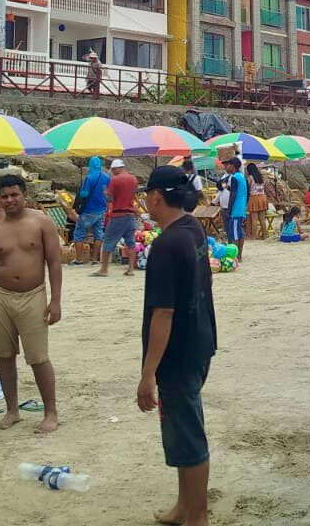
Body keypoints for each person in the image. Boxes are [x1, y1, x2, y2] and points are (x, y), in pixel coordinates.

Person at [136, 166, 217, 526]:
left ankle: (197, 515)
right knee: (180, 433)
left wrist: (148, 372)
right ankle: (185, 506)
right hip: (199, 343)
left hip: (179, 354)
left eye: (147, 195)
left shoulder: (167, 244)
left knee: (187, 434)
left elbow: (163, 313)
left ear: (156, 196)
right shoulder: (192, 228)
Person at [0, 176, 64, 433]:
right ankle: (12, 410)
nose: (10, 200)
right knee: (4, 355)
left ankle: (50, 412)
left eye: (15, 195)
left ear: (24, 195)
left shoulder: (41, 222)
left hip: (33, 293)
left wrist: (55, 300)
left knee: (38, 357)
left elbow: (54, 263)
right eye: (5, 196)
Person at [99, 160, 139, 276]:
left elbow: (110, 199)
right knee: (130, 243)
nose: (112, 172)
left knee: (108, 241)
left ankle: (104, 269)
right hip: (130, 215)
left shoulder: (115, 180)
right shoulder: (133, 179)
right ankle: (131, 269)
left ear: (116, 168)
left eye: (112, 170)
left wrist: (105, 193)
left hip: (118, 215)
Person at [219, 156, 248, 263]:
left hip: (236, 209)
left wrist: (230, 208)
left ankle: (235, 257)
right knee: (239, 233)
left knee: (234, 234)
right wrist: (228, 187)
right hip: (241, 208)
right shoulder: (241, 177)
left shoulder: (235, 177)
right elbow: (241, 191)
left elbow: (233, 195)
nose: (227, 167)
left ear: (233, 166)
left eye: (229, 165)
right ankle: (239, 256)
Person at [244, 163, 268, 240]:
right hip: (262, 197)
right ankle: (265, 235)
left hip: (254, 198)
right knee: (262, 219)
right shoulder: (260, 177)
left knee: (254, 219)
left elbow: (247, 189)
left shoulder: (250, 178)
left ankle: (254, 237)